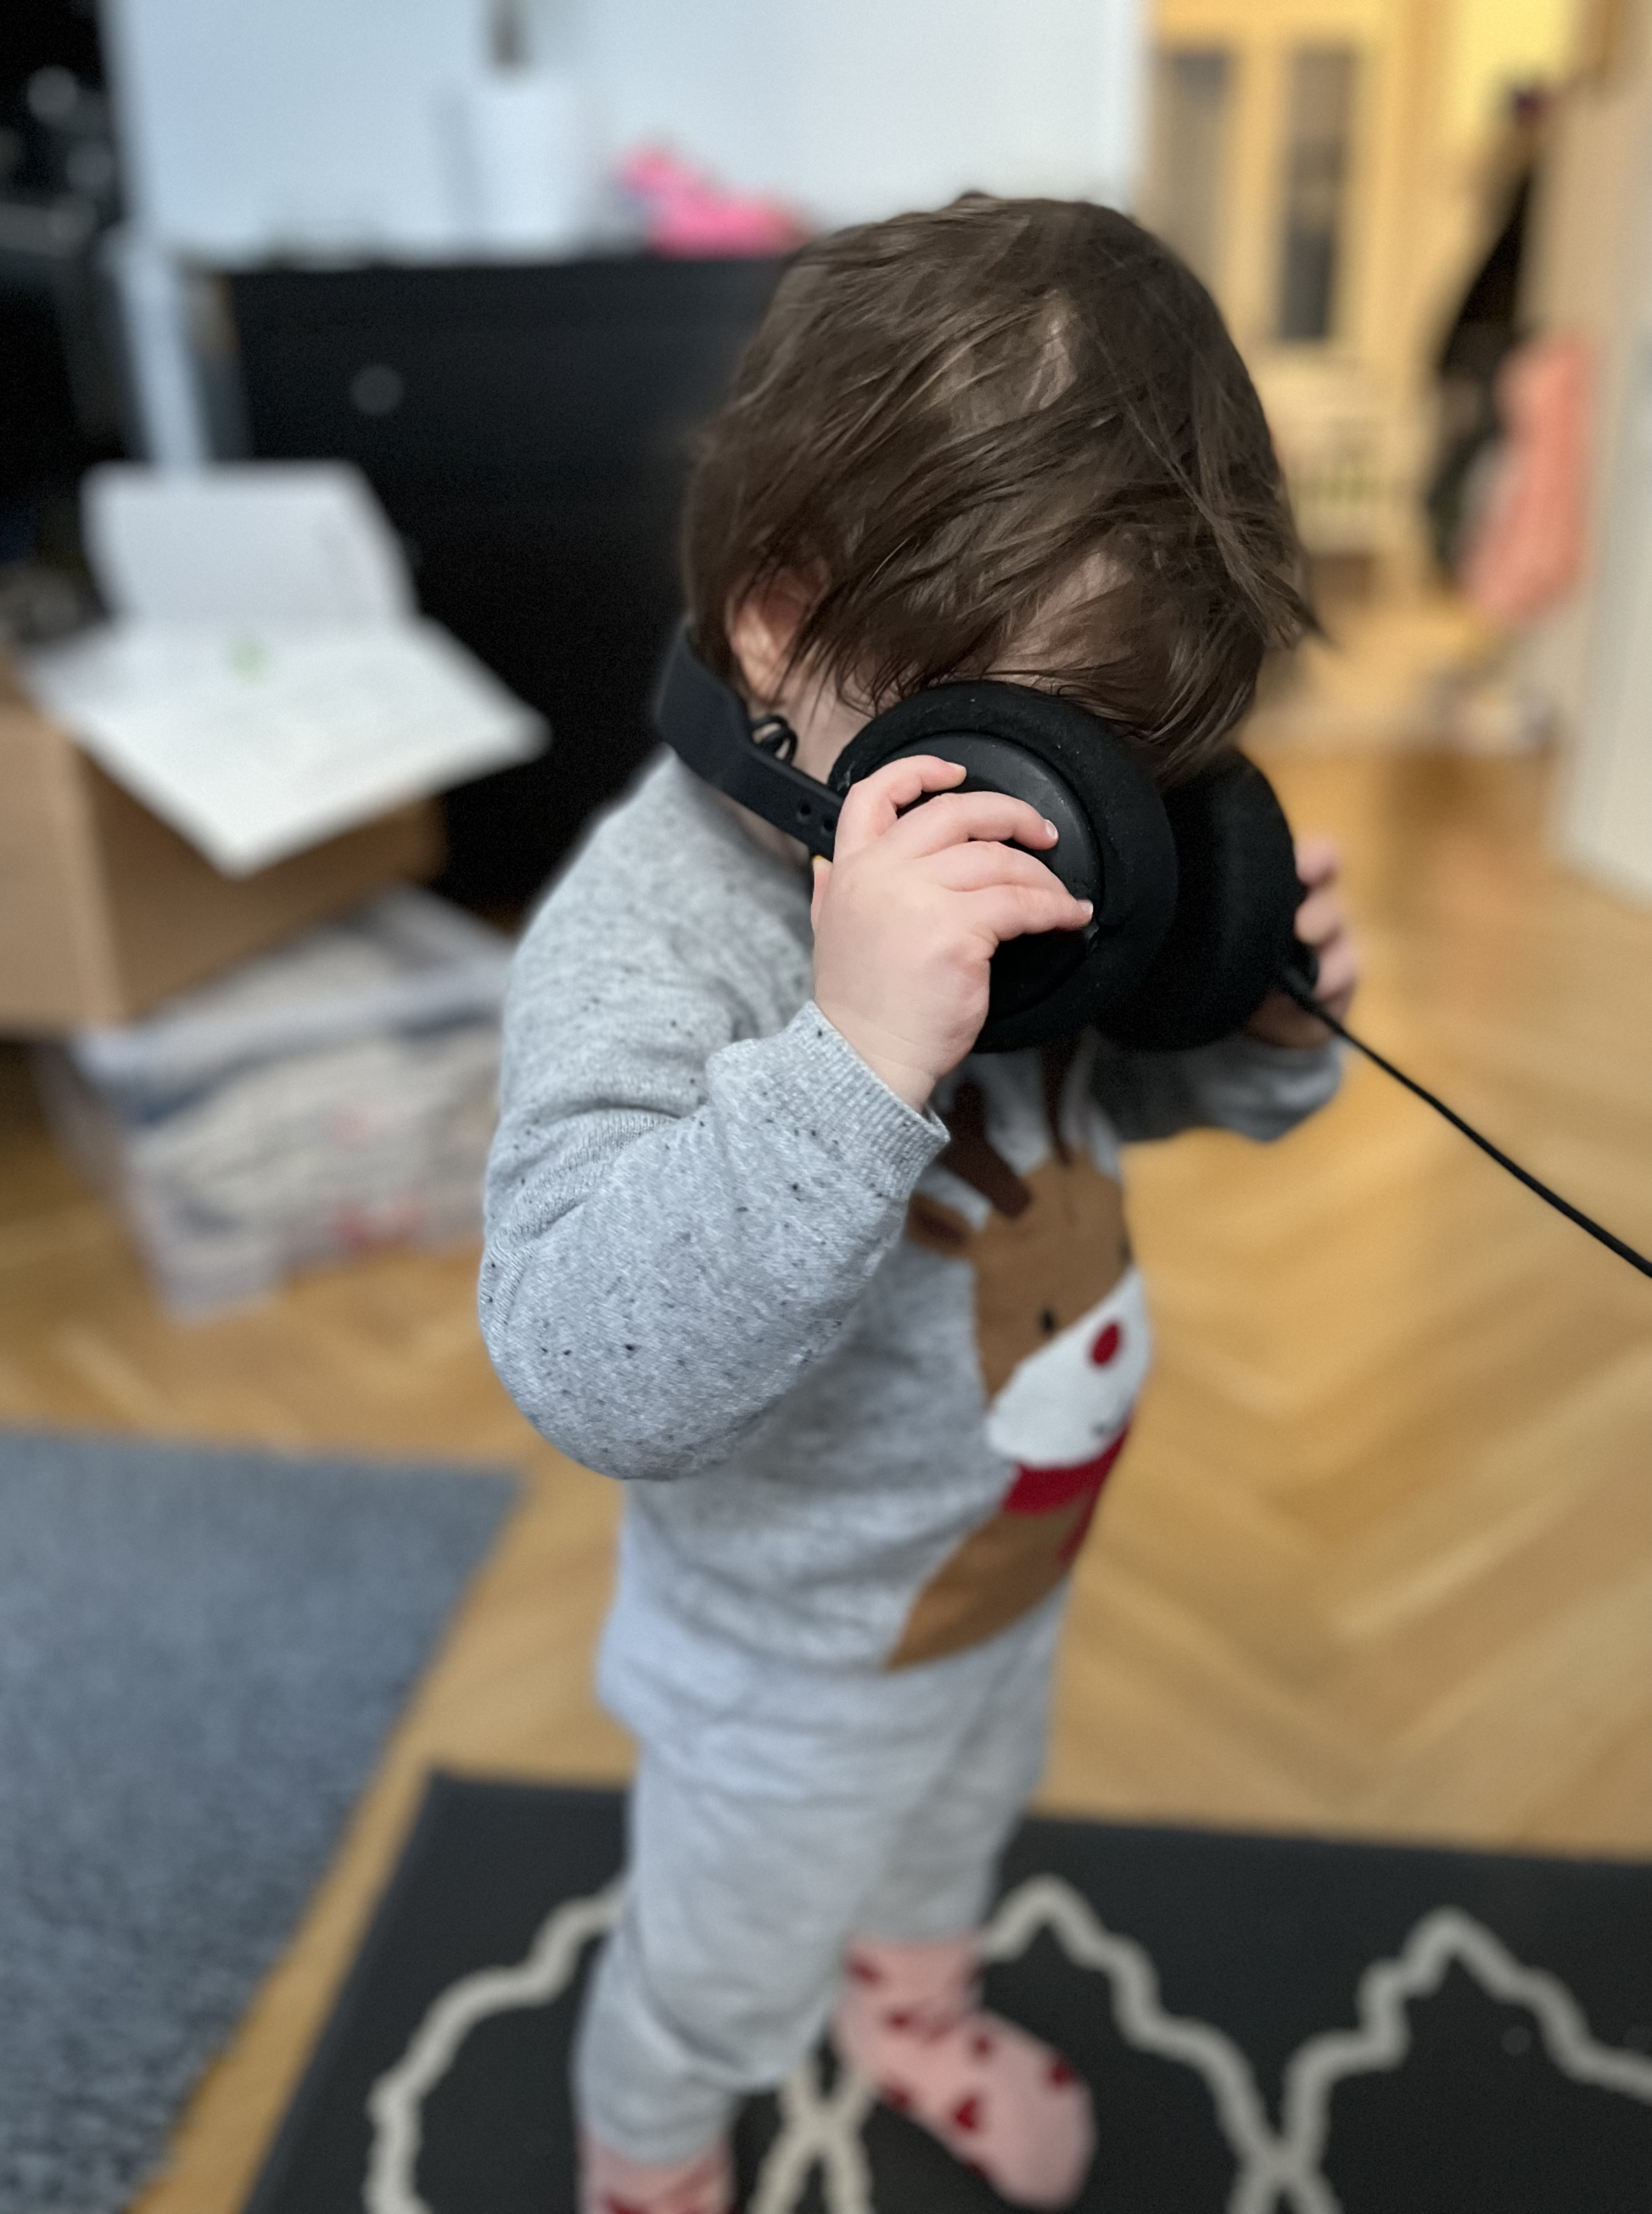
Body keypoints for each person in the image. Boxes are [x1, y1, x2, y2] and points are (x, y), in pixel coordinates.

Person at [481, 195, 1359, 2214]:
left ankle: (917, 2006)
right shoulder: (655, 945)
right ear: (785, 619)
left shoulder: (1041, 869)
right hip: (783, 1669)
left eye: (1137, 784)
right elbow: (584, 1359)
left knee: (962, 1836)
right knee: (719, 1967)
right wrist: (854, 1062)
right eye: (1035, 762)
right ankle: (655, 2155)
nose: (1084, 847)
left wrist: (1264, 1013)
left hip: (1000, 1576)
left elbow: (1120, 1096)